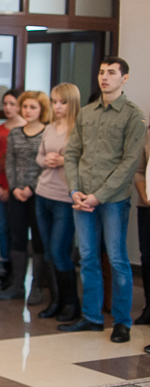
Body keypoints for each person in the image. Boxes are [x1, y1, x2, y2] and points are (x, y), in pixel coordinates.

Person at [60, 57, 147, 342]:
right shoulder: (86, 113)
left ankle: (122, 322)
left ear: (125, 78)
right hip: (82, 198)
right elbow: (72, 154)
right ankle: (92, 317)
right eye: (101, 72)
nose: (104, 77)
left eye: (111, 72)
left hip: (112, 200)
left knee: (118, 259)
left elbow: (129, 163)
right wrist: (75, 190)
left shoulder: (133, 115)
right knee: (87, 258)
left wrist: (99, 196)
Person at [34, 83, 81, 321]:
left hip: (65, 196)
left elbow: (85, 161)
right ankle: (56, 301)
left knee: (59, 250)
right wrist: (47, 161)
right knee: (48, 251)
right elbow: (39, 156)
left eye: (62, 102)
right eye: (54, 102)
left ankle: (71, 303)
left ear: (72, 103)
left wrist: (63, 161)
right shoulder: (49, 128)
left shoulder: (79, 130)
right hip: (44, 193)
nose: (57, 106)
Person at [0, 91, 49, 303]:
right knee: (17, 238)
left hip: (39, 194)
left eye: (33, 107)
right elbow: (9, 163)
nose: (28, 111)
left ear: (42, 110)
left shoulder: (47, 133)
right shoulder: (15, 134)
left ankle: (37, 287)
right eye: (25, 106)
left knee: (38, 239)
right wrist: (15, 188)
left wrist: (31, 188)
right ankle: (17, 285)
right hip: (16, 194)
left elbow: (46, 166)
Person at [0, 89, 25, 289]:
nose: (8, 108)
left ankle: (18, 274)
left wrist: (13, 188)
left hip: (19, 189)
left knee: (17, 230)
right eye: (5, 104)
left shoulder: (27, 129)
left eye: (12, 104)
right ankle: (5, 270)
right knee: (2, 228)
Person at [133, 117, 150, 325]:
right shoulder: (147, 133)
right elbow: (138, 171)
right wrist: (145, 197)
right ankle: (149, 307)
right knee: (147, 257)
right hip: (146, 206)